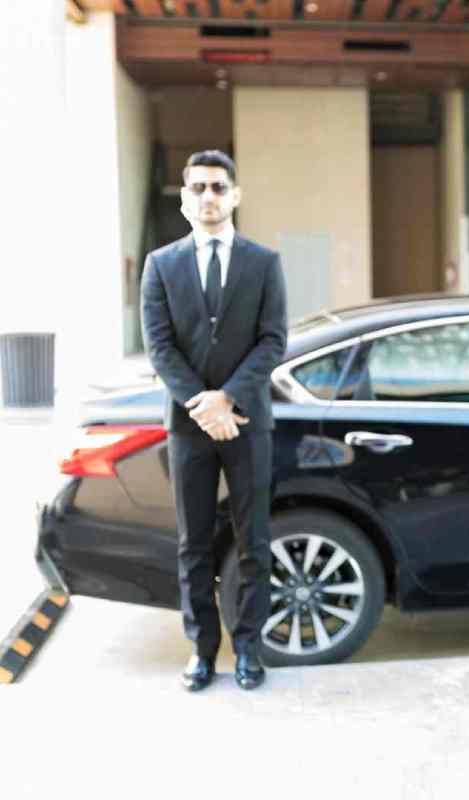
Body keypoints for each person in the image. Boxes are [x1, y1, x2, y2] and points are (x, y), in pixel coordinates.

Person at [141, 149, 288, 692]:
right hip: (189, 427)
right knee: (194, 544)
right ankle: (201, 651)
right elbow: (159, 347)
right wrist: (203, 407)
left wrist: (227, 399)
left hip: (249, 424)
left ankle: (248, 649)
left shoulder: (263, 262)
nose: (209, 196)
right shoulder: (161, 265)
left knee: (254, 540)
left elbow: (273, 340)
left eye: (218, 187)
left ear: (235, 196)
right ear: (184, 199)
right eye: (198, 187)